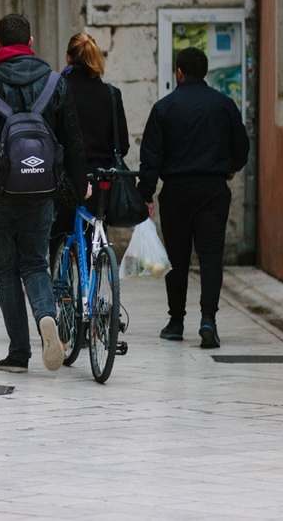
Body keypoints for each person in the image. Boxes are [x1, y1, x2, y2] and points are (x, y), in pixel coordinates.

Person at [0, 14, 88, 374]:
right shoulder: (54, 82)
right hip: (42, 189)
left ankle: (18, 353)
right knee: (35, 263)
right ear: (31, 41)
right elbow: (73, 140)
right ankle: (46, 317)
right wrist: (78, 188)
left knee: (6, 271)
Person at [138, 46, 249, 349]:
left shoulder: (164, 107)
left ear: (179, 72)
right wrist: (230, 168)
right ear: (205, 72)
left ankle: (176, 322)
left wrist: (146, 194)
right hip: (213, 190)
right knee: (211, 255)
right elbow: (242, 146)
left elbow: (151, 156)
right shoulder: (224, 105)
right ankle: (208, 320)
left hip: (176, 191)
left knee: (177, 257)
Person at [50, 33, 130, 254]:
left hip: (65, 178)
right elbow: (122, 145)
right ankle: (94, 277)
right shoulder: (111, 94)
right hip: (100, 180)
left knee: (60, 237)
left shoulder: (58, 90)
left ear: (68, 58)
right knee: (95, 233)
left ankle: (61, 285)